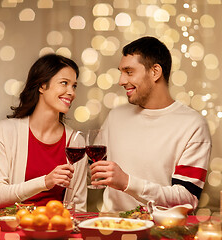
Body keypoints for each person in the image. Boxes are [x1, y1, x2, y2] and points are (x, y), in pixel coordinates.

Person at [90, 36, 212, 212]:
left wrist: (127, 182)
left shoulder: (193, 125)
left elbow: (187, 198)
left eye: (129, 72)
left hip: (160, 232)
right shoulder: (115, 116)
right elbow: (94, 171)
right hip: (111, 228)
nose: (121, 81)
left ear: (155, 72)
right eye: (121, 72)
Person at [0, 54, 87, 211]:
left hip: (57, 230)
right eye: (64, 83)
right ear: (41, 86)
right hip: (15, 228)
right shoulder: (6, 131)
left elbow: (79, 208)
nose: (71, 92)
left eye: (74, 86)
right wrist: (45, 182)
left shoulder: (76, 142)